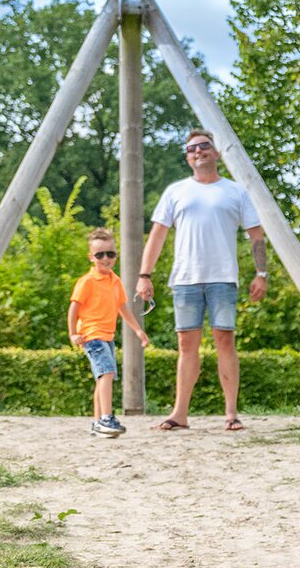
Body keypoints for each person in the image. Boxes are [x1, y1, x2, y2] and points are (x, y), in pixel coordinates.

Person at [135, 129, 267, 432]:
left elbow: (256, 236)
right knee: (186, 344)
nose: (198, 151)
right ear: (187, 157)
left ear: (216, 153)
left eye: (204, 146)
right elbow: (157, 236)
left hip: (223, 278)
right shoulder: (176, 191)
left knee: (225, 341)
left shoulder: (235, 191)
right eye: (192, 148)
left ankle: (231, 413)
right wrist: (145, 275)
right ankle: (180, 413)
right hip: (185, 279)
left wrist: (262, 274)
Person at [69, 227, 151, 438]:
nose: (105, 259)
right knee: (107, 373)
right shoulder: (86, 282)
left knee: (102, 377)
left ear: (115, 254)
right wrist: (72, 333)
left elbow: (123, 309)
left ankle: (98, 423)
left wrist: (138, 331)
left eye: (110, 254)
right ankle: (107, 418)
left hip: (108, 337)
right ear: (91, 257)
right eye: (100, 255)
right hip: (91, 335)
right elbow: (74, 309)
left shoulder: (115, 281)